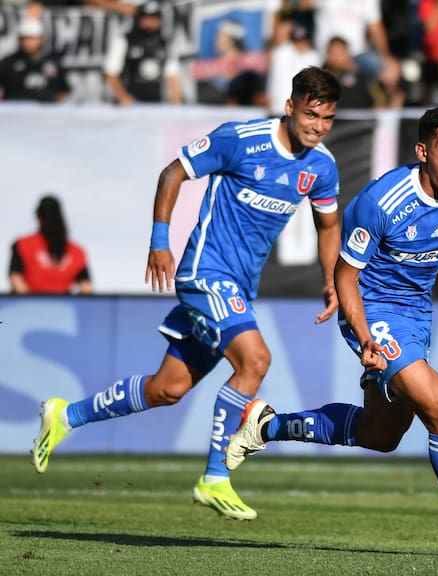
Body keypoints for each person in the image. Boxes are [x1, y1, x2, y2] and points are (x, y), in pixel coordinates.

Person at [226, 105, 438, 559]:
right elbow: (345, 277)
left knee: (381, 435)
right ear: (423, 151)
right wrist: (365, 337)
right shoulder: (383, 201)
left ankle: (266, 424)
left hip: (416, 316)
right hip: (371, 309)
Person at [32, 66, 343, 521]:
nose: (318, 126)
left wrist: (330, 280)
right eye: (311, 114)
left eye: (328, 119)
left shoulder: (321, 167)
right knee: (255, 361)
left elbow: (329, 225)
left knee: (167, 388)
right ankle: (215, 476)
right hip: (204, 272)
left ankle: (64, 416)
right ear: (290, 106)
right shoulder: (240, 139)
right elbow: (172, 173)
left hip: (239, 285)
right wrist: (161, 240)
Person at [103, 1, 183, 106]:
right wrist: (122, 96)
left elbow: (173, 78)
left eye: (154, 18)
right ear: (138, 19)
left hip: (156, 106)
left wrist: (176, 106)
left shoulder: (164, 44)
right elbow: (110, 73)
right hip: (130, 107)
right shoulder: (125, 41)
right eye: (146, 18)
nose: (150, 22)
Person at [9, 195, 92, 294]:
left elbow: (15, 278)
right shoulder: (76, 251)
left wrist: (30, 301)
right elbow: (86, 287)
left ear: (39, 217)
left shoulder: (24, 244)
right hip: (62, 306)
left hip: (29, 306)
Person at [0, 17, 71, 102]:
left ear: (41, 39)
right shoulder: (8, 63)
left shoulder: (53, 63)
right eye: (24, 38)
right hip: (15, 110)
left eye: (32, 38)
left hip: (47, 112)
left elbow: (64, 91)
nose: (28, 42)